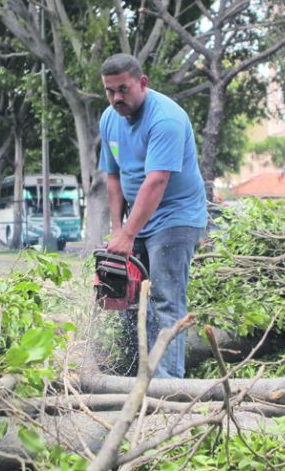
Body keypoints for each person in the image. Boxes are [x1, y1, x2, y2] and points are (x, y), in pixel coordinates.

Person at [98, 53, 207, 379]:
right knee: (130, 299)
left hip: (176, 217)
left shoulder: (166, 120)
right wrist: (118, 230)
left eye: (123, 89)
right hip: (138, 219)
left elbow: (156, 181)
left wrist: (129, 234)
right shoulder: (109, 118)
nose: (117, 97)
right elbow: (113, 175)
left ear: (142, 83)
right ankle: (136, 375)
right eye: (109, 90)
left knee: (164, 300)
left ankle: (167, 387)